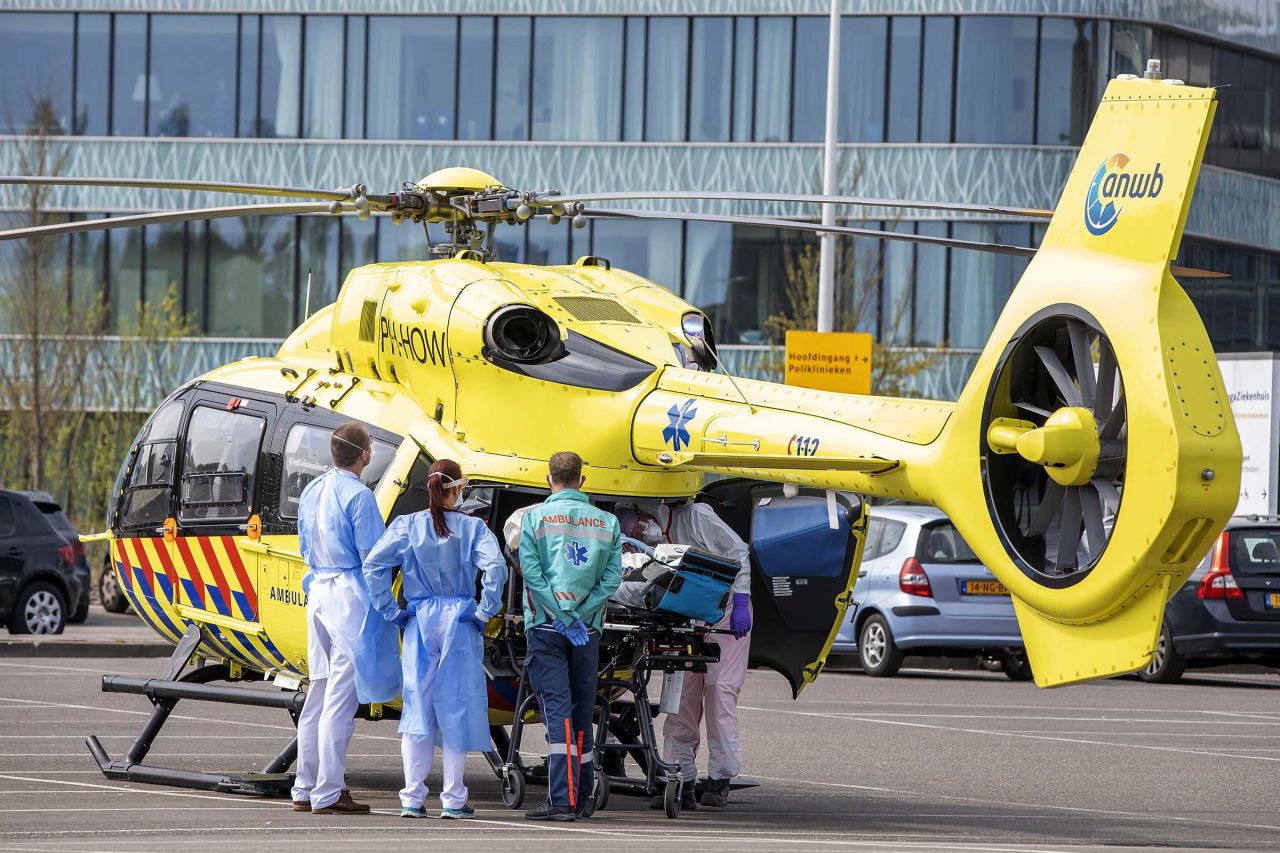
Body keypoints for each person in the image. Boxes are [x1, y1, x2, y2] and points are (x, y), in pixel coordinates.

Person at [363, 459, 506, 820]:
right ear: (456, 489)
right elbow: (496, 568)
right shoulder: (473, 528)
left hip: (421, 621)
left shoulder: (407, 526)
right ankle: (453, 798)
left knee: (418, 708)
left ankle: (412, 797)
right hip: (459, 622)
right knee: (456, 705)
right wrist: (484, 611)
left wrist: (391, 611)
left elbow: (374, 565)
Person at [291, 422, 401, 815]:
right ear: (365, 454)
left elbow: (305, 544)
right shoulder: (359, 496)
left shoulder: (312, 490)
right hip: (348, 598)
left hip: (317, 589)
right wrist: (389, 607)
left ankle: (305, 788)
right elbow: (374, 559)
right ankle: (329, 791)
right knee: (339, 698)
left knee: (317, 695)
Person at [623, 500, 752, 811]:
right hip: (685, 614)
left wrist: (743, 598)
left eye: (635, 522)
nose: (637, 528)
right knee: (681, 700)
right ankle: (679, 776)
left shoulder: (696, 516)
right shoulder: (652, 530)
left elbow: (738, 552)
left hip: (725, 611)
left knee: (719, 691)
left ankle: (721, 778)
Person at [519, 451, 622, 821]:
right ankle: (581, 796)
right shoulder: (607, 522)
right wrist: (579, 614)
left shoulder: (533, 518)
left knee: (558, 711)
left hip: (547, 628)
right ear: (583, 480)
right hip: (587, 631)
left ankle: (561, 800)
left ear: (549, 480)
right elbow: (612, 579)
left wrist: (561, 615)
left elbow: (532, 575)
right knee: (582, 712)